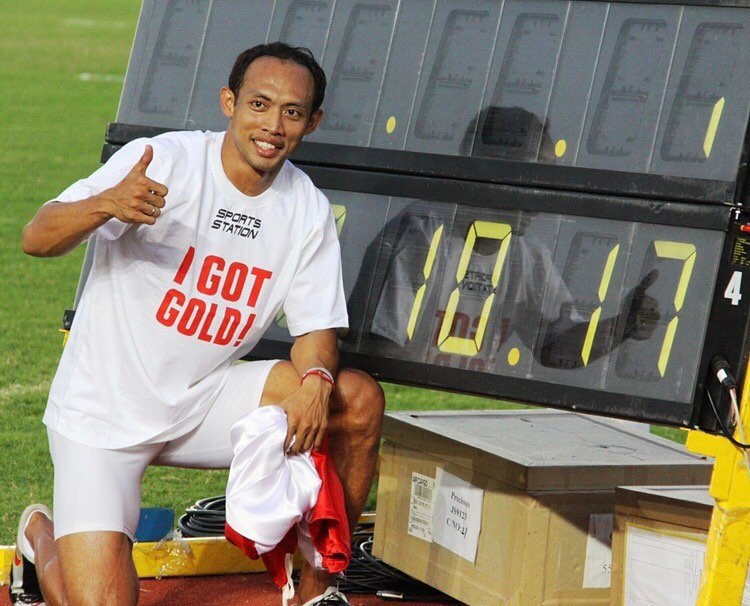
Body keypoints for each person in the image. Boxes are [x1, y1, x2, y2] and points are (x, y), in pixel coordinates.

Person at [14, 42, 385, 606]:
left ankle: (316, 593)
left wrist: (317, 381)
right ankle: (41, 538)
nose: (273, 125)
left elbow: (316, 331)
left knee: (354, 400)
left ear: (312, 122)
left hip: (203, 399)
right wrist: (106, 204)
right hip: (103, 410)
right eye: (259, 104)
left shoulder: (306, 207)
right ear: (228, 102)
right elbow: (35, 237)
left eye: (291, 112)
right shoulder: (164, 161)